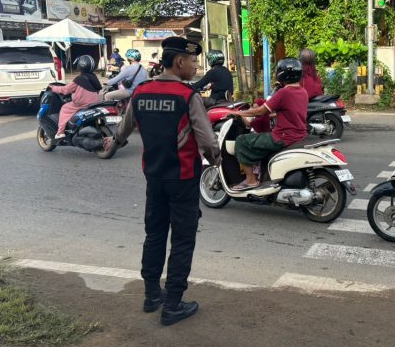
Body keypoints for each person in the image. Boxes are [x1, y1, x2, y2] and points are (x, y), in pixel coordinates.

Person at [105, 36, 221, 326]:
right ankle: (173, 304)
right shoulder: (187, 95)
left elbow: (124, 129)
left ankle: (151, 295)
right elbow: (208, 141)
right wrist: (216, 160)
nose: (196, 66)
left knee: (155, 234)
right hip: (183, 178)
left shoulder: (142, 91)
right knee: (182, 239)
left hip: (154, 177)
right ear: (179, 61)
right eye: (193, 61)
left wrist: (114, 144)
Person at [230, 58, 308, 190]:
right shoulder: (303, 92)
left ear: (281, 75)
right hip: (299, 135)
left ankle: (250, 180)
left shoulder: (284, 92)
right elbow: (288, 111)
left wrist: (238, 113)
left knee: (242, 141)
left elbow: (261, 111)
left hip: (282, 137)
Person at [50, 55, 102, 140]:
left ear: (81, 65)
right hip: (95, 103)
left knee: (64, 108)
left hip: (82, 105)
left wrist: (53, 88)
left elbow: (65, 90)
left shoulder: (79, 79)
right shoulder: (94, 77)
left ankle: (60, 133)